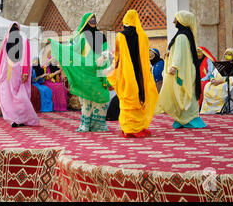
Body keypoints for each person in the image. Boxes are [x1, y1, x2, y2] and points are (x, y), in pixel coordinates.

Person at [49, 13, 110, 132]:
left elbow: (106, 51)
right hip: (85, 71)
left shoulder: (101, 36)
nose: (93, 21)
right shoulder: (81, 36)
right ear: (86, 21)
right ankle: (86, 125)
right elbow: (72, 50)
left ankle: (98, 125)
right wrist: (56, 46)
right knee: (86, 99)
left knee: (102, 96)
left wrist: (104, 60)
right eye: (90, 19)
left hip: (98, 70)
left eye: (94, 19)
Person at [105, 10, 159, 138]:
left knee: (127, 99)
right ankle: (139, 126)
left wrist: (111, 69)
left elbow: (117, 57)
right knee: (139, 98)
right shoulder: (143, 36)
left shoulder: (120, 36)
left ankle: (129, 128)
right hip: (141, 74)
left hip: (126, 74)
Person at [156, 11, 207, 129]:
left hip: (181, 72)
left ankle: (186, 119)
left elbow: (179, 54)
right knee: (184, 94)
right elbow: (182, 52)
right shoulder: (186, 35)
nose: (174, 21)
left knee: (182, 94)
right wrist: (170, 52)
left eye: (176, 19)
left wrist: (174, 66)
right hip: (187, 70)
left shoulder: (181, 37)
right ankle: (184, 119)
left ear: (183, 21)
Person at [0, 22, 39, 127]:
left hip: (16, 73)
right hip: (7, 74)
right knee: (10, 96)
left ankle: (22, 119)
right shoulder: (6, 42)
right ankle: (15, 119)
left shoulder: (23, 41)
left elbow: (26, 57)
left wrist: (25, 72)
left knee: (19, 97)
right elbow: (1, 59)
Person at [200, 48, 233, 114]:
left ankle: (220, 109)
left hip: (226, 82)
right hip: (216, 82)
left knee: (223, 88)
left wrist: (220, 81)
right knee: (207, 86)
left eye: (229, 54)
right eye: (226, 54)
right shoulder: (221, 63)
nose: (227, 55)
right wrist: (213, 80)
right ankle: (208, 109)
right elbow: (212, 74)